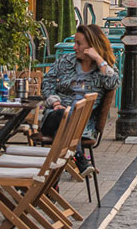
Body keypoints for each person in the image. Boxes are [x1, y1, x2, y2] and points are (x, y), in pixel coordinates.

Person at [40, 24, 120, 174]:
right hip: (55, 116)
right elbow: (47, 82)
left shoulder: (102, 69)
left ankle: (51, 188)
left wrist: (98, 59)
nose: (74, 47)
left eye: (79, 43)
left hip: (83, 125)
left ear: (92, 46)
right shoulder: (65, 61)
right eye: (74, 43)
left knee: (65, 128)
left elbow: (113, 83)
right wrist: (55, 102)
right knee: (63, 115)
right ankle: (80, 158)